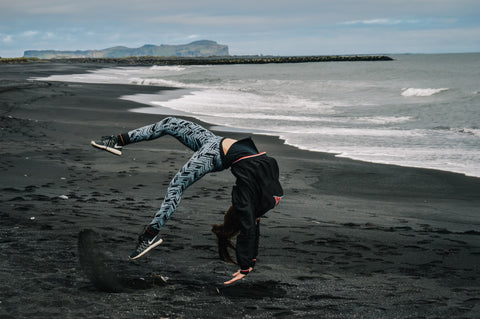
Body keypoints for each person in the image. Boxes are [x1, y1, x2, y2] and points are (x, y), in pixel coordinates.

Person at [91, 117, 283, 285]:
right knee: (169, 123)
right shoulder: (262, 202)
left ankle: (150, 235)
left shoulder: (247, 199)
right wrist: (250, 263)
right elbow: (252, 226)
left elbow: (249, 226)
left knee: (177, 186)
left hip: (214, 154)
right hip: (215, 141)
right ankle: (117, 141)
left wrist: (245, 266)